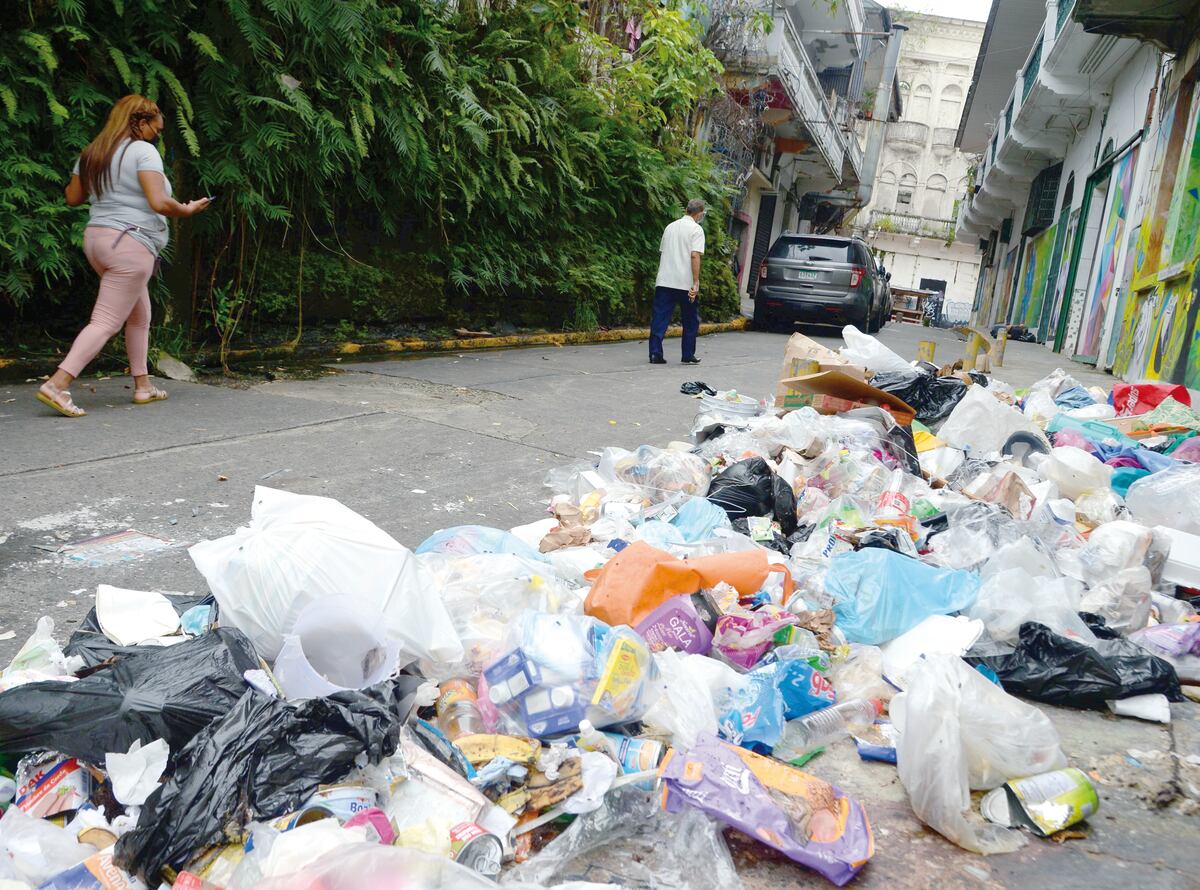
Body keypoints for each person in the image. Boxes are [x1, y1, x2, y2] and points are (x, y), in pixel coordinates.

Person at [36, 94, 210, 418]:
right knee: (104, 322)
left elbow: (73, 197)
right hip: (130, 244)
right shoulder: (142, 151)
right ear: (140, 123)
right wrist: (186, 209)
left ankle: (143, 386)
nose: (157, 137)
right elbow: (159, 202)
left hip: (98, 241)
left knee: (139, 315)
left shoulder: (93, 152)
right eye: (156, 130)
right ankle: (57, 384)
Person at [649, 198, 705, 364]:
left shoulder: (670, 227)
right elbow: (694, 255)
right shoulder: (696, 230)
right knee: (690, 320)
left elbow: (663, 252)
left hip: (665, 280)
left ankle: (655, 353)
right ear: (699, 214)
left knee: (659, 318)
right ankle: (687, 355)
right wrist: (695, 282)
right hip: (685, 283)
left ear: (687, 210)